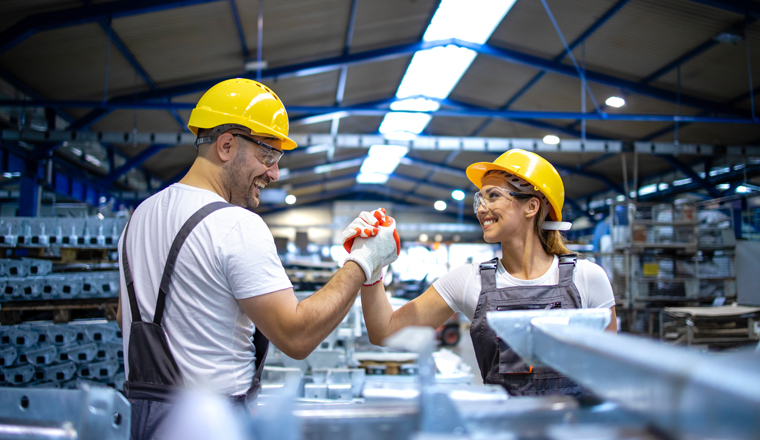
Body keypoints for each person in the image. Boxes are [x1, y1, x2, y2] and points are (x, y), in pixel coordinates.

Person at [116, 78, 399, 439]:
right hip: (212, 425)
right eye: (267, 155)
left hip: (141, 420)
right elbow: (297, 337)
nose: (274, 173)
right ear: (227, 145)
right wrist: (362, 260)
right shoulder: (235, 224)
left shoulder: (139, 218)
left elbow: (128, 319)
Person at [356, 149, 616, 397]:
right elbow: (385, 332)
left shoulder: (587, 278)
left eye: (493, 196)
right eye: (479, 199)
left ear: (531, 207)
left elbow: (611, 371)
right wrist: (372, 264)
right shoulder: (468, 281)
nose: (481, 209)